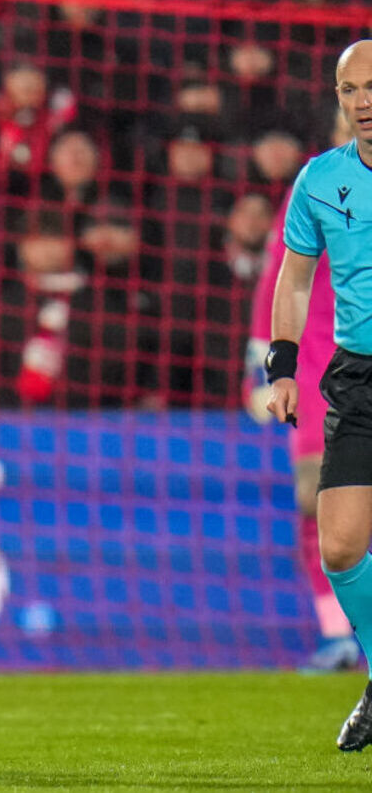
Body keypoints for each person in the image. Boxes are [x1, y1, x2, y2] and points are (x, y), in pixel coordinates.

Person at [266, 39, 372, 752]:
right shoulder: (319, 180)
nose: (363, 101)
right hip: (358, 378)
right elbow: (295, 278)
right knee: (339, 547)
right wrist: (280, 366)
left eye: (371, 87)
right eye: (350, 90)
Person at [248, 107, 360, 674]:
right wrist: (263, 368)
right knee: (317, 506)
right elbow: (278, 283)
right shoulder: (314, 194)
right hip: (321, 377)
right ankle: (339, 634)